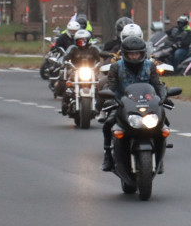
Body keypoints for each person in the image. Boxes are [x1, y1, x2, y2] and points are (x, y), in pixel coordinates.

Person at [100, 33, 167, 172]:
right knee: (108, 124)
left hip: (148, 104)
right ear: (125, 54)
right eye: (131, 54)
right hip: (123, 104)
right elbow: (110, 86)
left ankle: (160, 159)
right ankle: (108, 156)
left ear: (142, 53)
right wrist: (109, 98)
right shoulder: (116, 67)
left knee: (164, 125)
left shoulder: (150, 66)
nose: (134, 57)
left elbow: (157, 84)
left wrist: (163, 96)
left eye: (137, 54)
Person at [61, 28, 104, 113]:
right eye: (79, 41)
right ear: (76, 41)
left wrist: (102, 62)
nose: (81, 42)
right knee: (68, 83)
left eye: (83, 41)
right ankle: (65, 103)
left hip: (91, 72)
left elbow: (101, 57)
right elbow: (65, 57)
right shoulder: (73, 48)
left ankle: (99, 104)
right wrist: (64, 61)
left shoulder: (93, 49)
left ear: (88, 40)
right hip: (75, 71)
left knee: (99, 85)